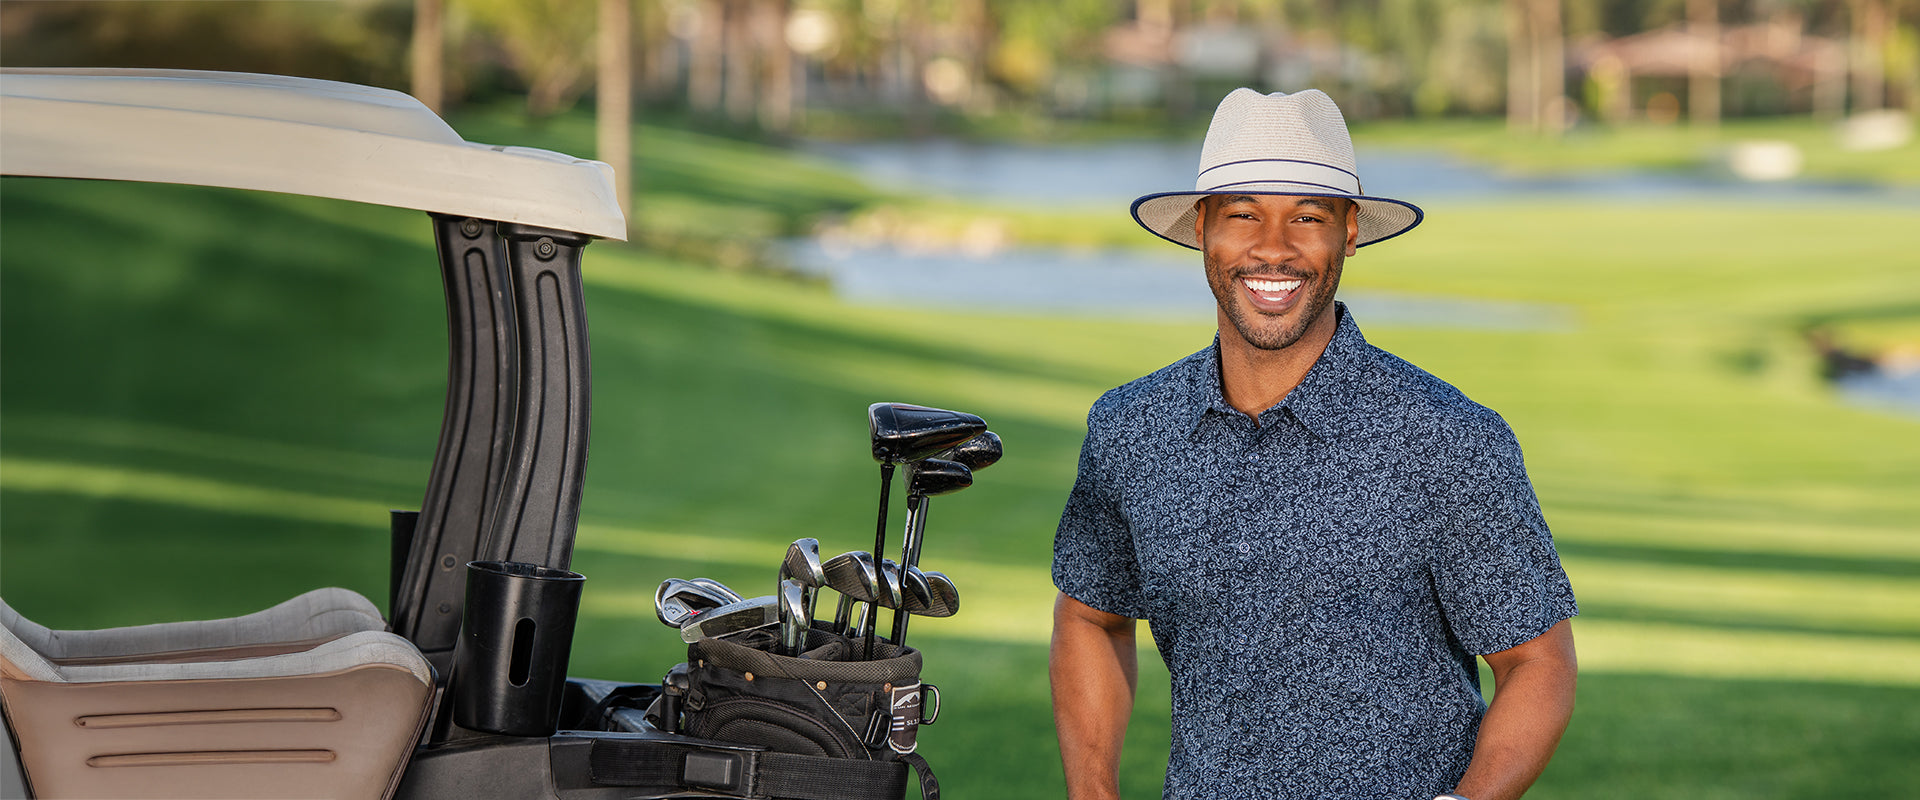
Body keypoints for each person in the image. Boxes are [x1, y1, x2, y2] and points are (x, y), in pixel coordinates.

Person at [1049, 88, 1579, 800]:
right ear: (1202, 226)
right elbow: (1091, 614)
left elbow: (1537, 662)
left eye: (1308, 216)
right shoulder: (1131, 428)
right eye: (1243, 215)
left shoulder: (1448, 437)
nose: (1273, 248)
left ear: (1350, 231)